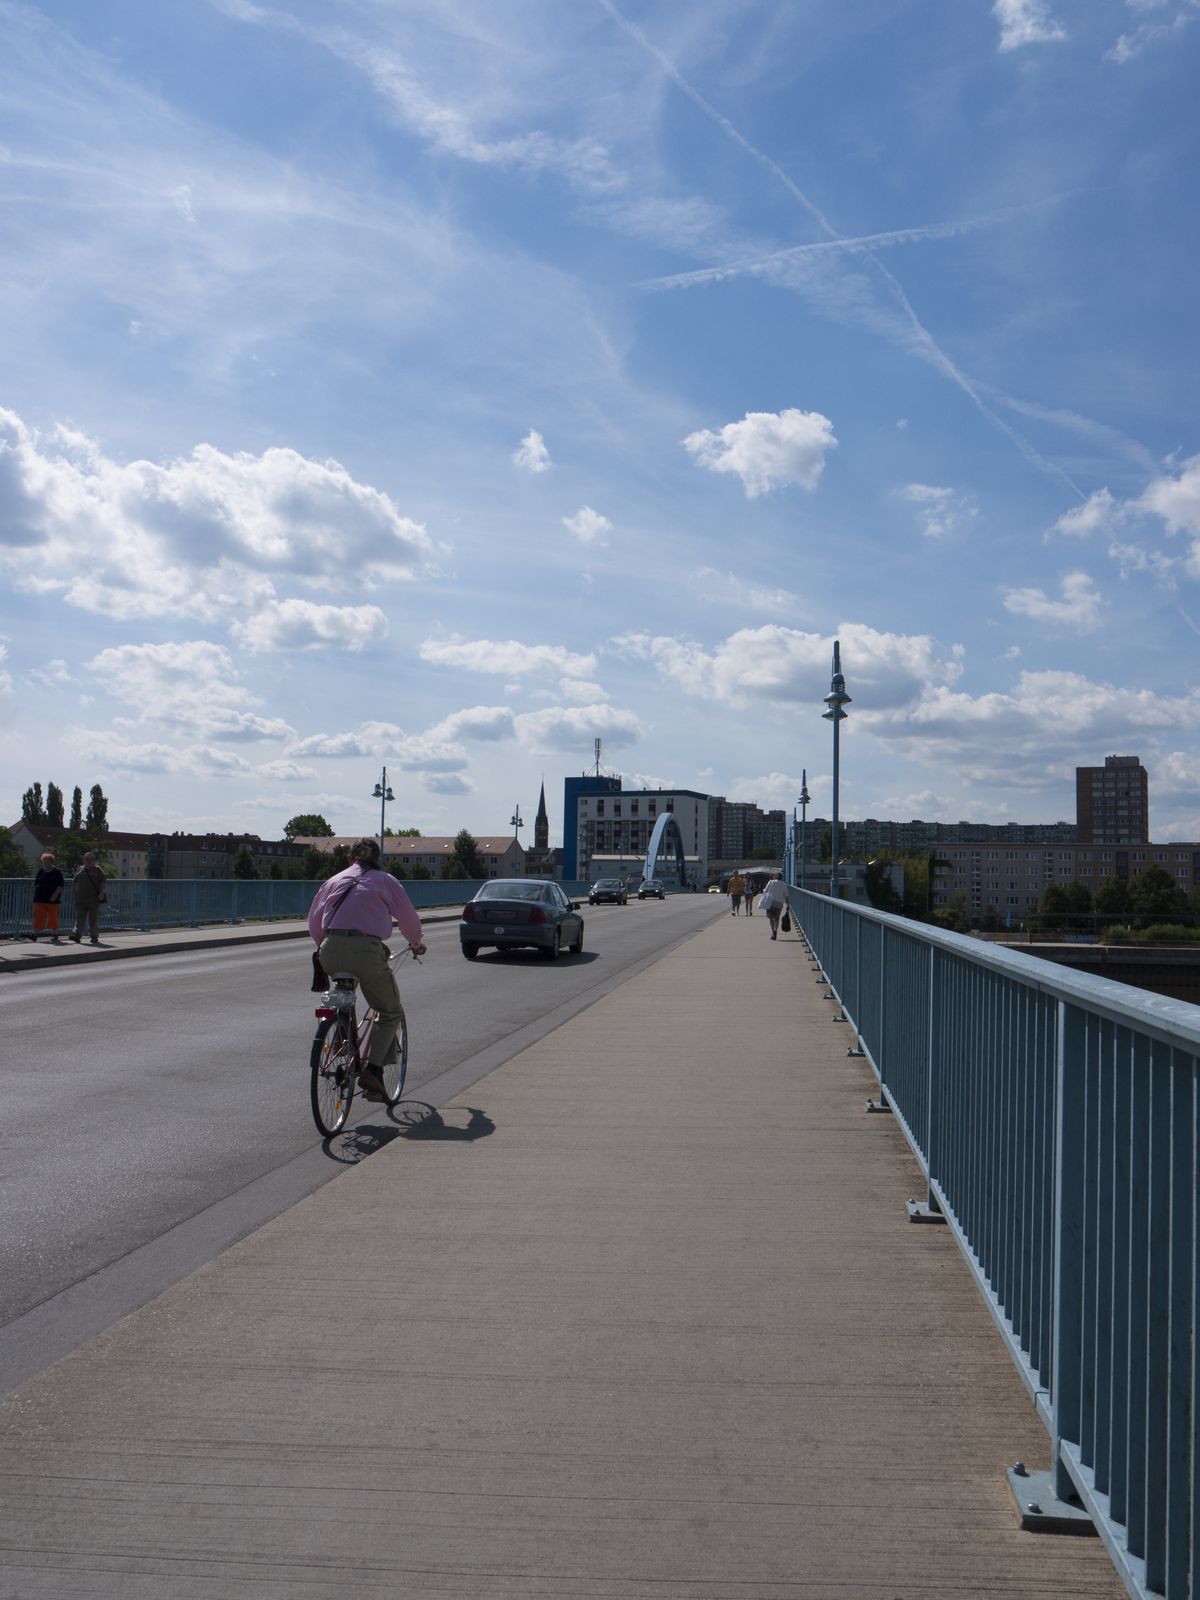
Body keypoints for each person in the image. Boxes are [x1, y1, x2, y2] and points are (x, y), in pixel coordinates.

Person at [308, 839, 427, 1100]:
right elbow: (407, 918)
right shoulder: (385, 881)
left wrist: (326, 945)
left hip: (329, 948)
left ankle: (341, 1035)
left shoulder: (334, 880)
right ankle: (373, 1071)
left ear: (351, 859)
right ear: (377, 859)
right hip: (366, 951)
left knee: (343, 992)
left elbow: (314, 921)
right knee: (389, 1009)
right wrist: (416, 943)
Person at [69, 852, 107, 945]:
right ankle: (77, 936)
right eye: (87, 859)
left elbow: (103, 882)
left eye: (91, 860)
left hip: (94, 899)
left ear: (94, 861)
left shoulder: (98, 870)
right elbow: (74, 882)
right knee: (80, 918)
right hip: (81, 898)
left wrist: (102, 892)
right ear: (84, 860)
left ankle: (94, 936)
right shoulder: (80, 869)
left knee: (93, 919)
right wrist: (74, 894)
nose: (89, 861)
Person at [32, 851, 64, 943]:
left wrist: (56, 894)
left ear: (51, 861)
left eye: (47, 861)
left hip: (52, 899)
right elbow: (36, 883)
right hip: (39, 898)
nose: (45, 863)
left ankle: (55, 934)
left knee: (52, 917)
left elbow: (60, 885)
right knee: (38, 916)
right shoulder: (41, 871)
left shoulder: (57, 872)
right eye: (43, 861)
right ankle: (35, 935)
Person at [758, 872, 789, 940]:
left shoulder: (771, 881)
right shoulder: (784, 884)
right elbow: (786, 896)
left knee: (771, 918)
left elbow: (765, 891)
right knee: (777, 918)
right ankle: (775, 931)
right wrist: (788, 905)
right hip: (779, 903)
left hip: (770, 902)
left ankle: (773, 932)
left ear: (775, 877)